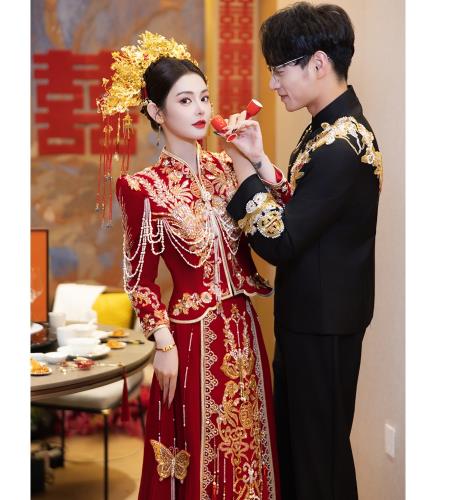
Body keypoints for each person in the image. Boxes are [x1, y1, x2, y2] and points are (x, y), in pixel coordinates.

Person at [99, 32, 282, 499]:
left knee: (251, 447)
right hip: (192, 338)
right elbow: (139, 279)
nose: (200, 109)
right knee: (202, 450)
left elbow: (284, 217)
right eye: (185, 100)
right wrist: (162, 341)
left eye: (204, 97)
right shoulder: (142, 188)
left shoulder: (229, 168)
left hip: (242, 328)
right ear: (157, 112)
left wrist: (257, 158)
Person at [221, 3, 383, 500]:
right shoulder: (327, 130)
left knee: (318, 462)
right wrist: (260, 161)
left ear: (317, 63)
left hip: (324, 322)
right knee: (303, 452)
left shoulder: (342, 145)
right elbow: (305, 205)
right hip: (311, 316)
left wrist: (240, 170)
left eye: (278, 70)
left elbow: (281, 240)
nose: (272, 84)